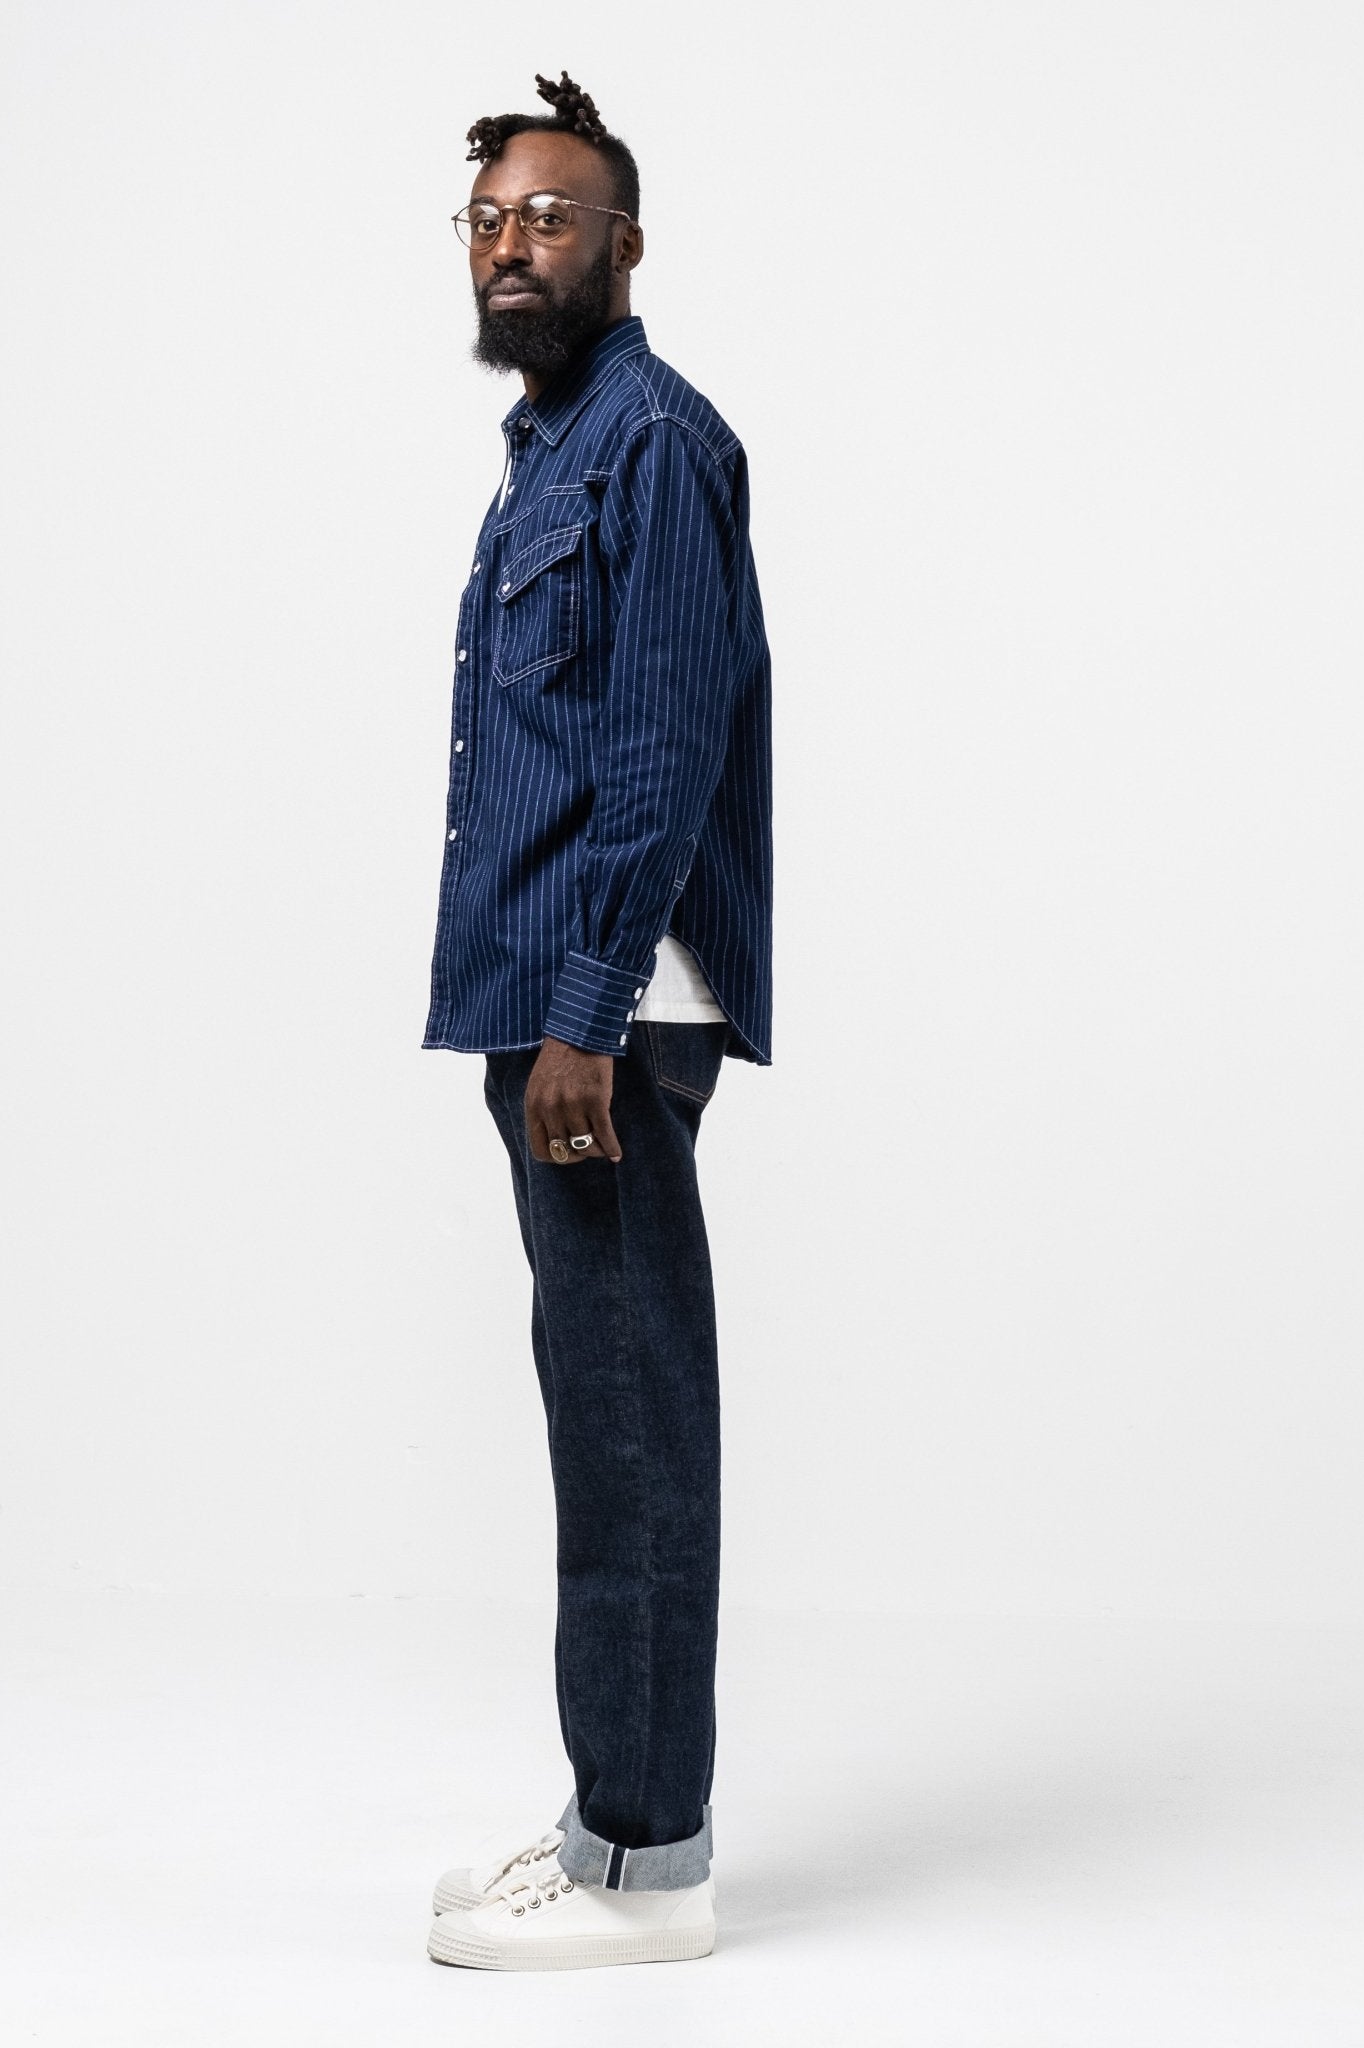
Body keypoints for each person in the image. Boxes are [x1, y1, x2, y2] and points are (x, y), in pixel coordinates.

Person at [420, 70, 773, 1972]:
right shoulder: (552, 453)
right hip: (566, 1006)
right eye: (488, 220)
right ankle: (614, 1819)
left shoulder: (655, 444)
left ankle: (648, 1864)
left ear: (626, 243)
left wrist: (586, 1009)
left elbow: (659, 749)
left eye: (550, 216)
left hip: (605, 1018)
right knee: (601, 1404)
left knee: (629, 1422)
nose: (512, 244)